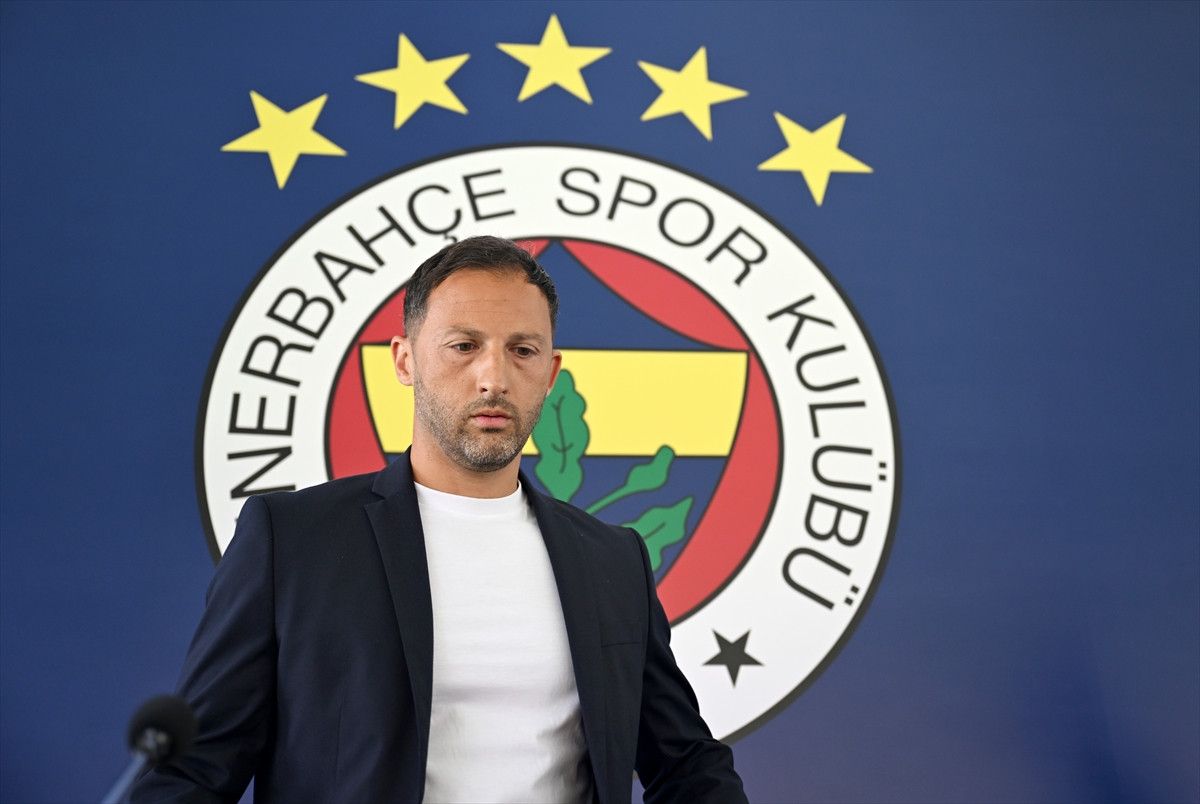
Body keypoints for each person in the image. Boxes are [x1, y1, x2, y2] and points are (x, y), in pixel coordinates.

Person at [132, 236, 747, 803]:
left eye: (522, 350)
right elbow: (192, 772)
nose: (493, 378)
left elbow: (686, 763)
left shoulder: (611, 559)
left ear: (552, 374)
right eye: (463, 346)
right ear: (405, 361)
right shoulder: (292, 541)